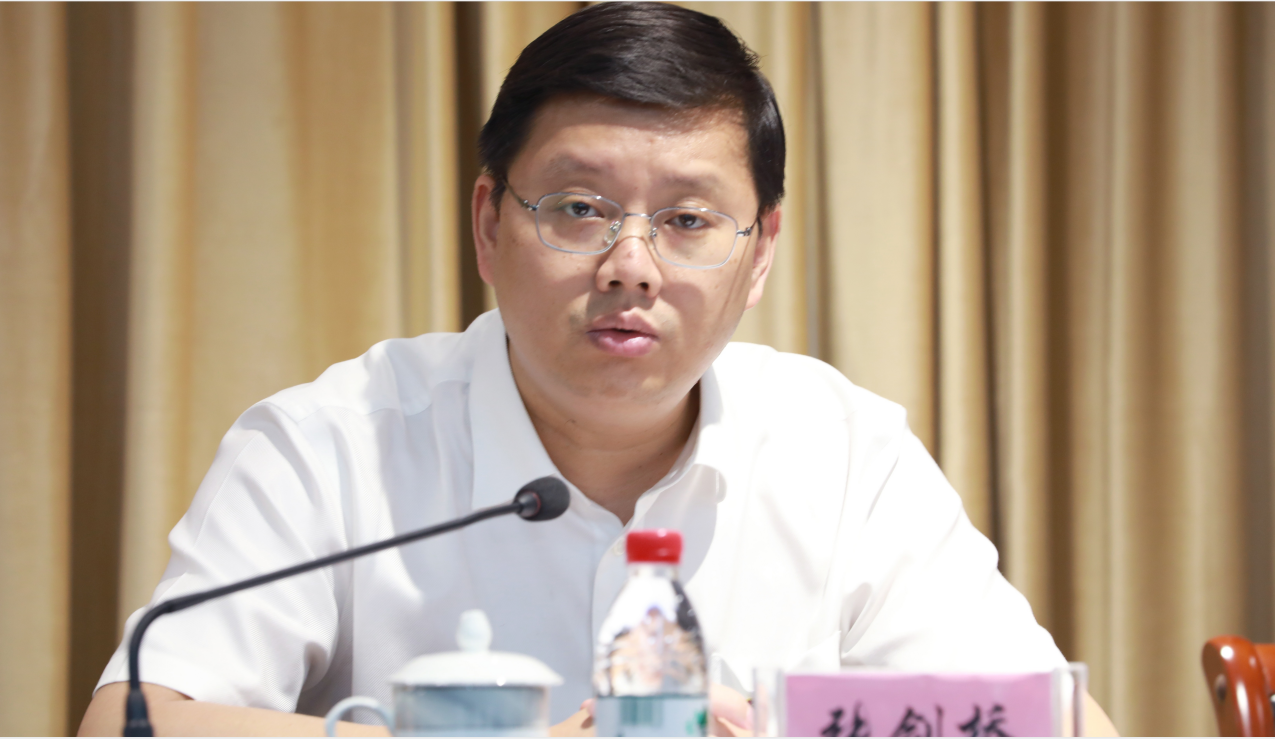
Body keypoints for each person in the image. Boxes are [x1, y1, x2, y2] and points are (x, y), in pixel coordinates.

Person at [80, 3, 1118, 736]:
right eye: (579, 209)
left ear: (760, 252)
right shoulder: (330, 443)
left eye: (689, 220)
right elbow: (137, 719)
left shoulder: (843, 452)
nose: (631, 266)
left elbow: (1059, 725)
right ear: (488, 224)